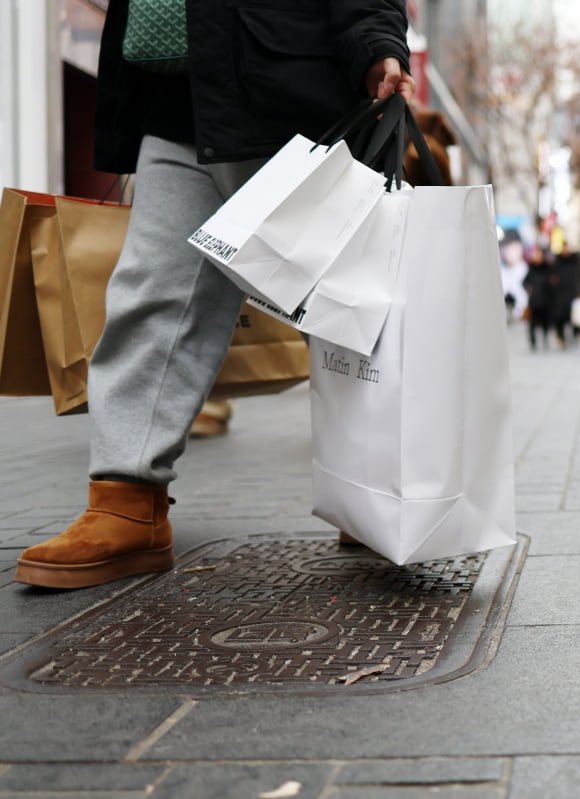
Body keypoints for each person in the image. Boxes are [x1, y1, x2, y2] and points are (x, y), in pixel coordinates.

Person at [14, 1, 415, 590]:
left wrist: (377, 43)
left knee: (341, 302)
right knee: (153, 290)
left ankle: (384, 483)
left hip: (285, 86)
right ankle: (125, 500)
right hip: (173, 93)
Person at [522, 245, 553, 351]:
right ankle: (533, 343)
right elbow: (525, 282)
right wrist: (528, 288)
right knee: (532, 324)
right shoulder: (531, 269)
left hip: (546, 301)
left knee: (545, 323)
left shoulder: (547, 269)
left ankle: (545, 340)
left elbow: (552, 283)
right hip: (534, 301)